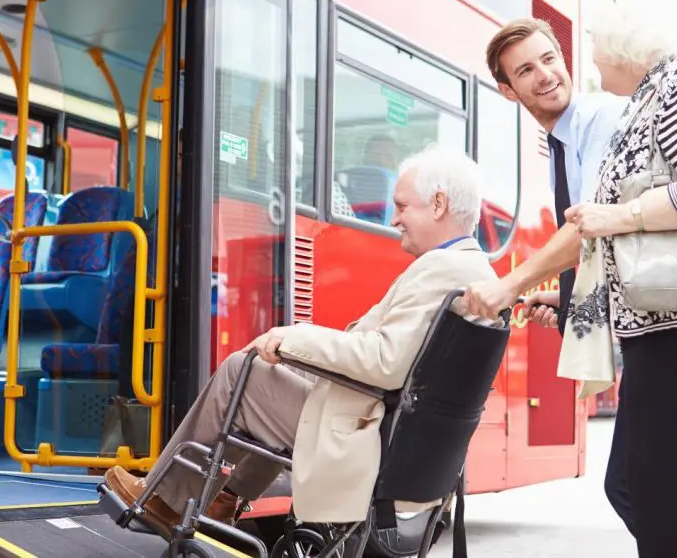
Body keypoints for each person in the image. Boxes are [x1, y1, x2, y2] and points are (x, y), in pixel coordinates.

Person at [103, 145, 500, 537]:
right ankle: (225, 500)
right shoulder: (474, 269)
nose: (394, 218)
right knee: (275, 370)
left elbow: (385, 362)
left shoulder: (441, 269)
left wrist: (294, 335)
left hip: (369, 438)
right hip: (400, 438)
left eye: (401, 206)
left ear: (438, 205)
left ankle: (164, 501)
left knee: (240, 373)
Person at [470, 11, 677, 557]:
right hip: (666, 324)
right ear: (508, 89)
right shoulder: (624, 110)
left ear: (624, 48)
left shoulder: (651, 97)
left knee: (671, 495)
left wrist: (514, 282)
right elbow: (607, 245)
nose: (569, 67)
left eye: (557, 57)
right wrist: (573, 301)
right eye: (528, 69)